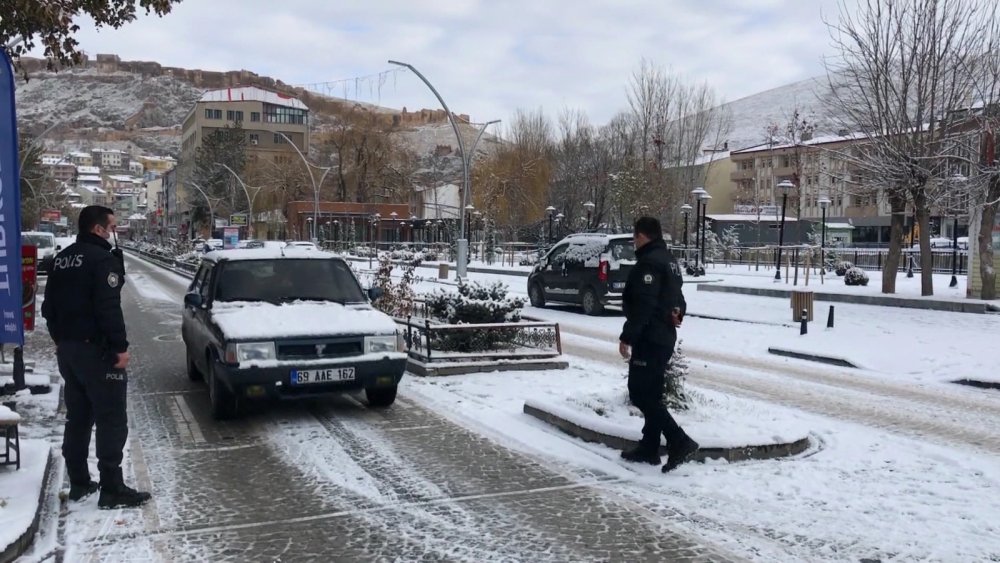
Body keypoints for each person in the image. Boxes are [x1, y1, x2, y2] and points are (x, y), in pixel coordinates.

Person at [41, 206, 152, 509]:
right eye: (112, 227)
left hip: (69, 351)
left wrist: (61, 341)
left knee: (78, 417)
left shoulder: (62, 259)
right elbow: (108, 309)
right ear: (98, 229)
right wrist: (120, 348)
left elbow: (48, 310)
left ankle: (78, 482)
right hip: (98, 353)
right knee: (111, 418)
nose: (114, 232)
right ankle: (112, 487)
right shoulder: (102, 260)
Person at [618, 216, 700, 473]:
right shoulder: (669, 261)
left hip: (650, 337)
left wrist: (627, 336)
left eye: (634, 237)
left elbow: (644, 305)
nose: (633, 242)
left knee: (640, 392)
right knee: (652, 393)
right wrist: (679, 312)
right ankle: (649, 447)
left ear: (642, 236)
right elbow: (678, 297)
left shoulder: (648, 264)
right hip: (664, 337)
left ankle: (679, 440)